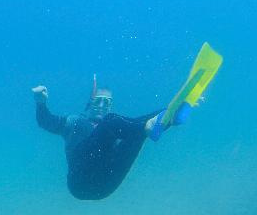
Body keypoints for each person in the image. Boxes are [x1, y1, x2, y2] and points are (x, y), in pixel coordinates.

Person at [32, 81, 189, 200]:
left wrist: (174, 109)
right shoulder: (73, 122)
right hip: (79, 183)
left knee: (134, 130)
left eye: (106, 102)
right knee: (122, 124)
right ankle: (155, 124)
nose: (101, 105)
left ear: (110, 105)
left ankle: (171, 117)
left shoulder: (118, 128)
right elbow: (46, 121)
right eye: (98, 101)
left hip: (106, 186)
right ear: (90, 103)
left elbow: (138, 123)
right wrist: (40, 102)